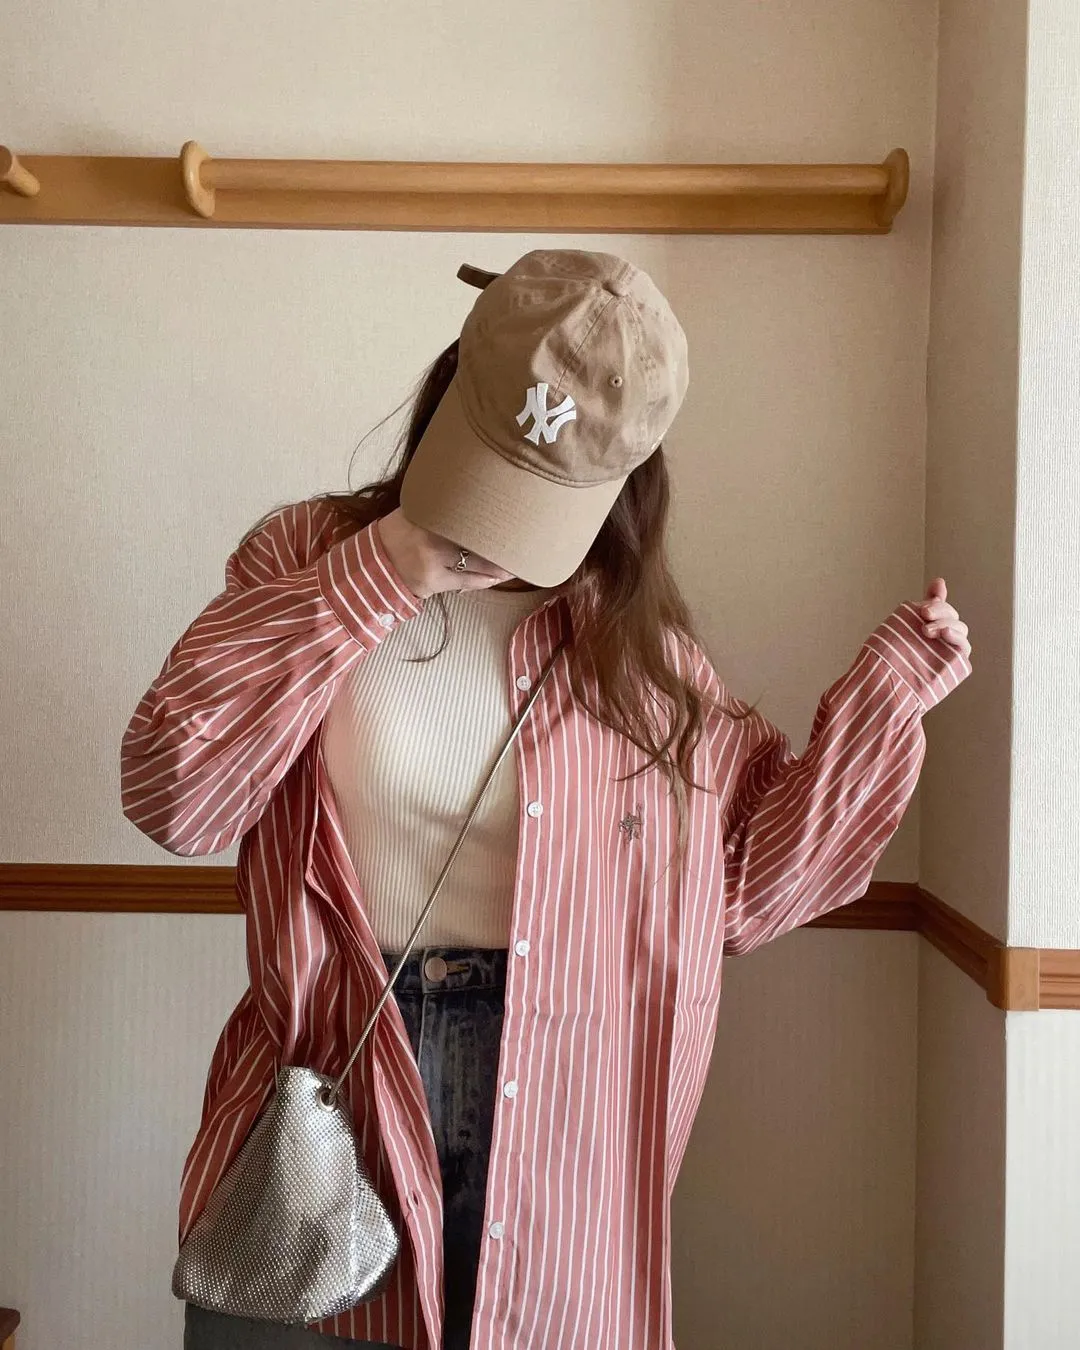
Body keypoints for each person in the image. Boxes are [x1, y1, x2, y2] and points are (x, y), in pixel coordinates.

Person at [120, 248, 973, 1350]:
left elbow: (748, 891)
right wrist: (380, 574)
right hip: (336, 1081)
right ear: (448, 394)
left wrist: (887, 696)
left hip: (568, 1100)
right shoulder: (303, 554)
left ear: (626, 481)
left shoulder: (636, 648)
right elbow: (177, 798)